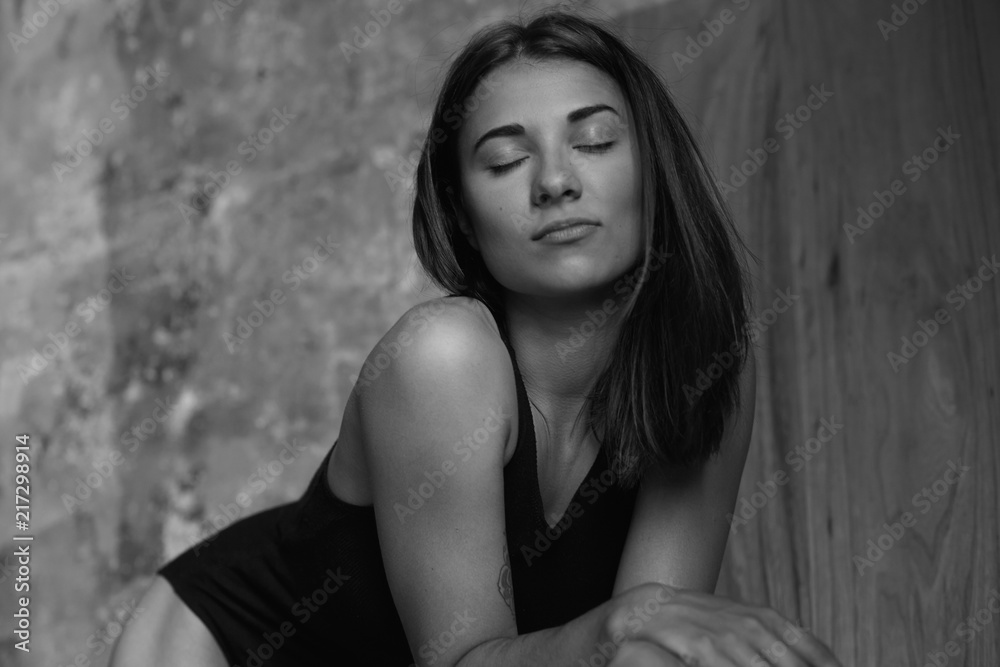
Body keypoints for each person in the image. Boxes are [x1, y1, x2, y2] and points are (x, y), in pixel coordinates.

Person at [111, 8, 844, 667]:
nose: (554, 181)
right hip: (222, 646)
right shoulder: (443, 359)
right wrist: (617, 624)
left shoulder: (705, 362)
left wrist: (641, 630)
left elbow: (652, 650)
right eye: (505, 160)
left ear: (654, 168)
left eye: (594, 141)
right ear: (462, 216)